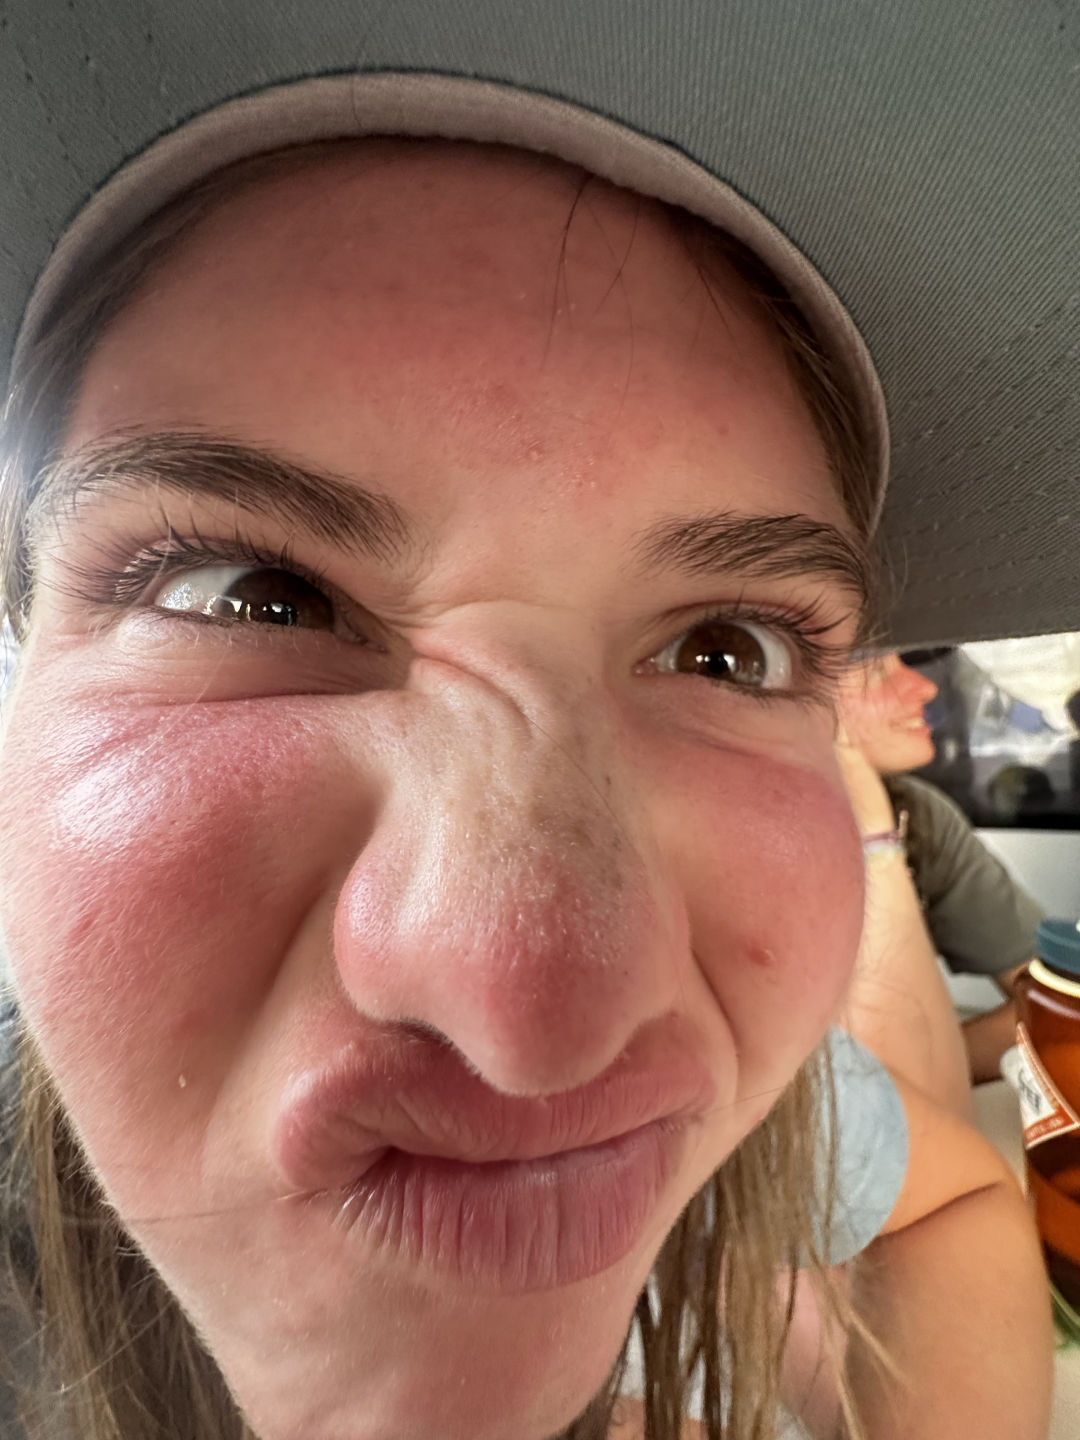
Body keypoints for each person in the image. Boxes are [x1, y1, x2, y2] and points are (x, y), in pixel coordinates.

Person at [0, 11, 1059, 1440]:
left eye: (728, 650)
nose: (537, 1025)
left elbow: (957, 1206)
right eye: (258, 598)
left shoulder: (796, 1097)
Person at [837, 653, 1044, 1088]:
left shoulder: (918, 816)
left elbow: (1058, 1002)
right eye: (874, 669)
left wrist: (890, 1085)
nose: (926, 687)